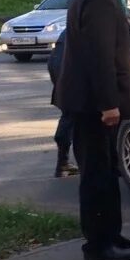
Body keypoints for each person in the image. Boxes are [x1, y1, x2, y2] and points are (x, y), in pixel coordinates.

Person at [55, 0, 130, 260]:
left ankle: (110, 235)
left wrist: (127, 58)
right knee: (96, 175)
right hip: (94, 106)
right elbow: (98, 57)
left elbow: (107, 48)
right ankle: (98, 244)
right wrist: (109, 104)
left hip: (92, 103)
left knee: (107, 172)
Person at [47, 30, 78, 178]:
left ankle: (62, 163)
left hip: (60, 72)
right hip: (72, 77)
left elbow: (53, 61)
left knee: (69, 119)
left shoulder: (69, 29)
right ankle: (64, 164)